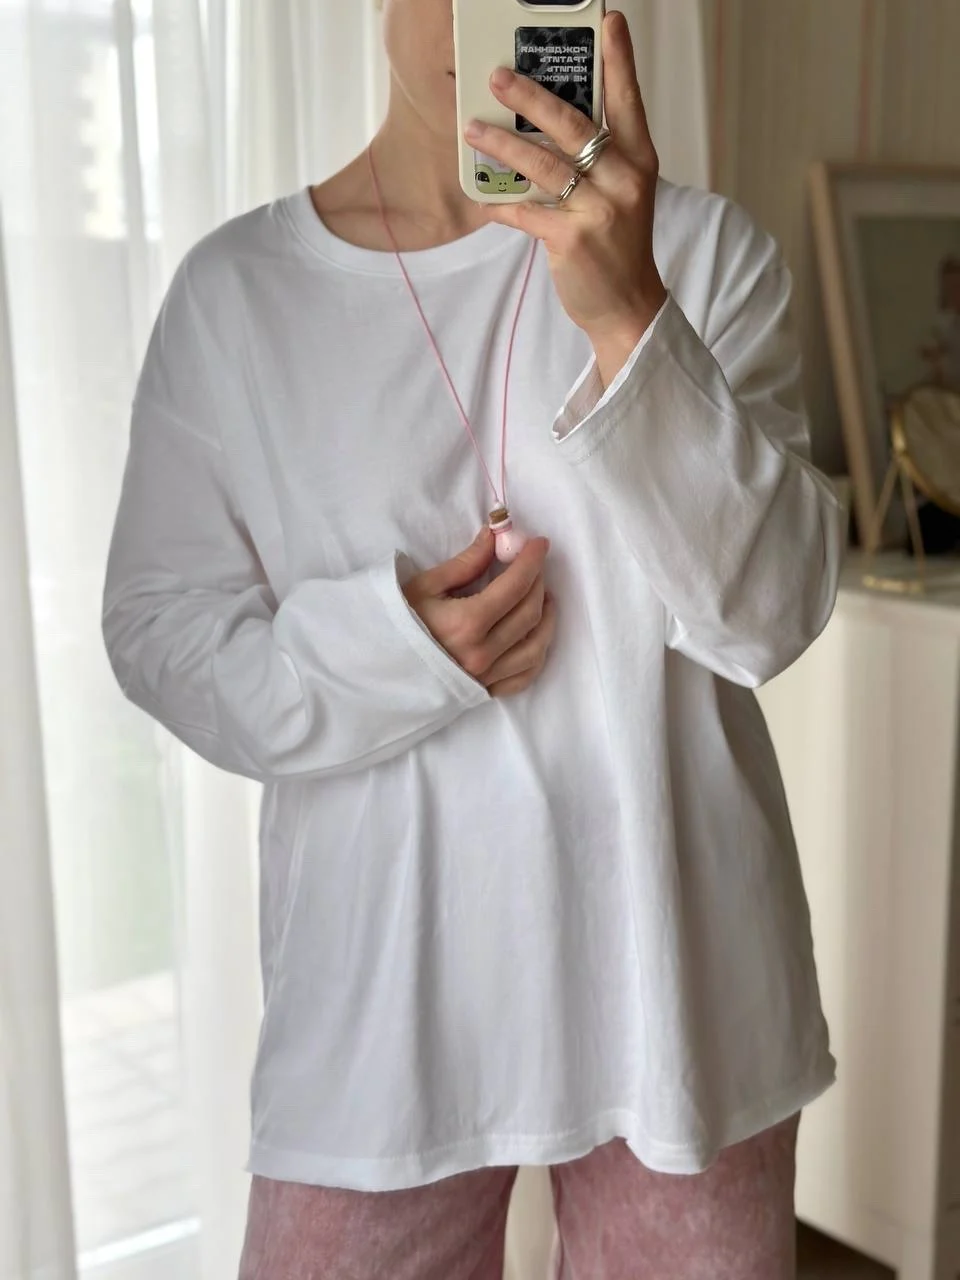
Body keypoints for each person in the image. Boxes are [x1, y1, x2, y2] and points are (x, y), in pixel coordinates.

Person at [102, 3, 846, 1277]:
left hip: (678, 989)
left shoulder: (705, 253)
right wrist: (394, 650)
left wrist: (630, 318)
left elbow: (770, 615)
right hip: (381, 1001)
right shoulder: (240, 295)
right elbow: (159, 628)